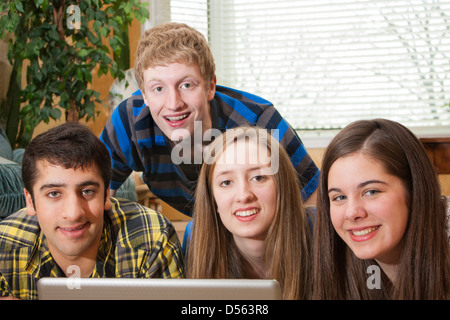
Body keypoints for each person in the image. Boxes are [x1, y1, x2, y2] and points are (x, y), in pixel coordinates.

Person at [100, 22, 319, 217]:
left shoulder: (261, 124)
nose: (174, 103)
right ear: (144, 94)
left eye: (187, 85)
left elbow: (315, 210)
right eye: (158, 88)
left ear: (210, 86)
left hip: (264, 229)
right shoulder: (129, 122)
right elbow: (94, 198)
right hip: (205, 229)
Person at [0, 122, 184, 300]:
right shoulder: (4, 248)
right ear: (30, 201)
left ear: (106, 196)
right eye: (54, 193)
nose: (73, 213)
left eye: (87, 192)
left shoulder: (152, 237)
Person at [313, 118, 449, 299]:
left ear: (414, 189)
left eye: (371, 192)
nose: (352, 212)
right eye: (339, 197)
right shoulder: (341, 268)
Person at [187, 127, 313, 300]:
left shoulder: (320, 233)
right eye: (226, 182)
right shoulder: (194, 237)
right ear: (212, 199)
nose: (243, 195)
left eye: (258, 178)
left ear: (283, 187)